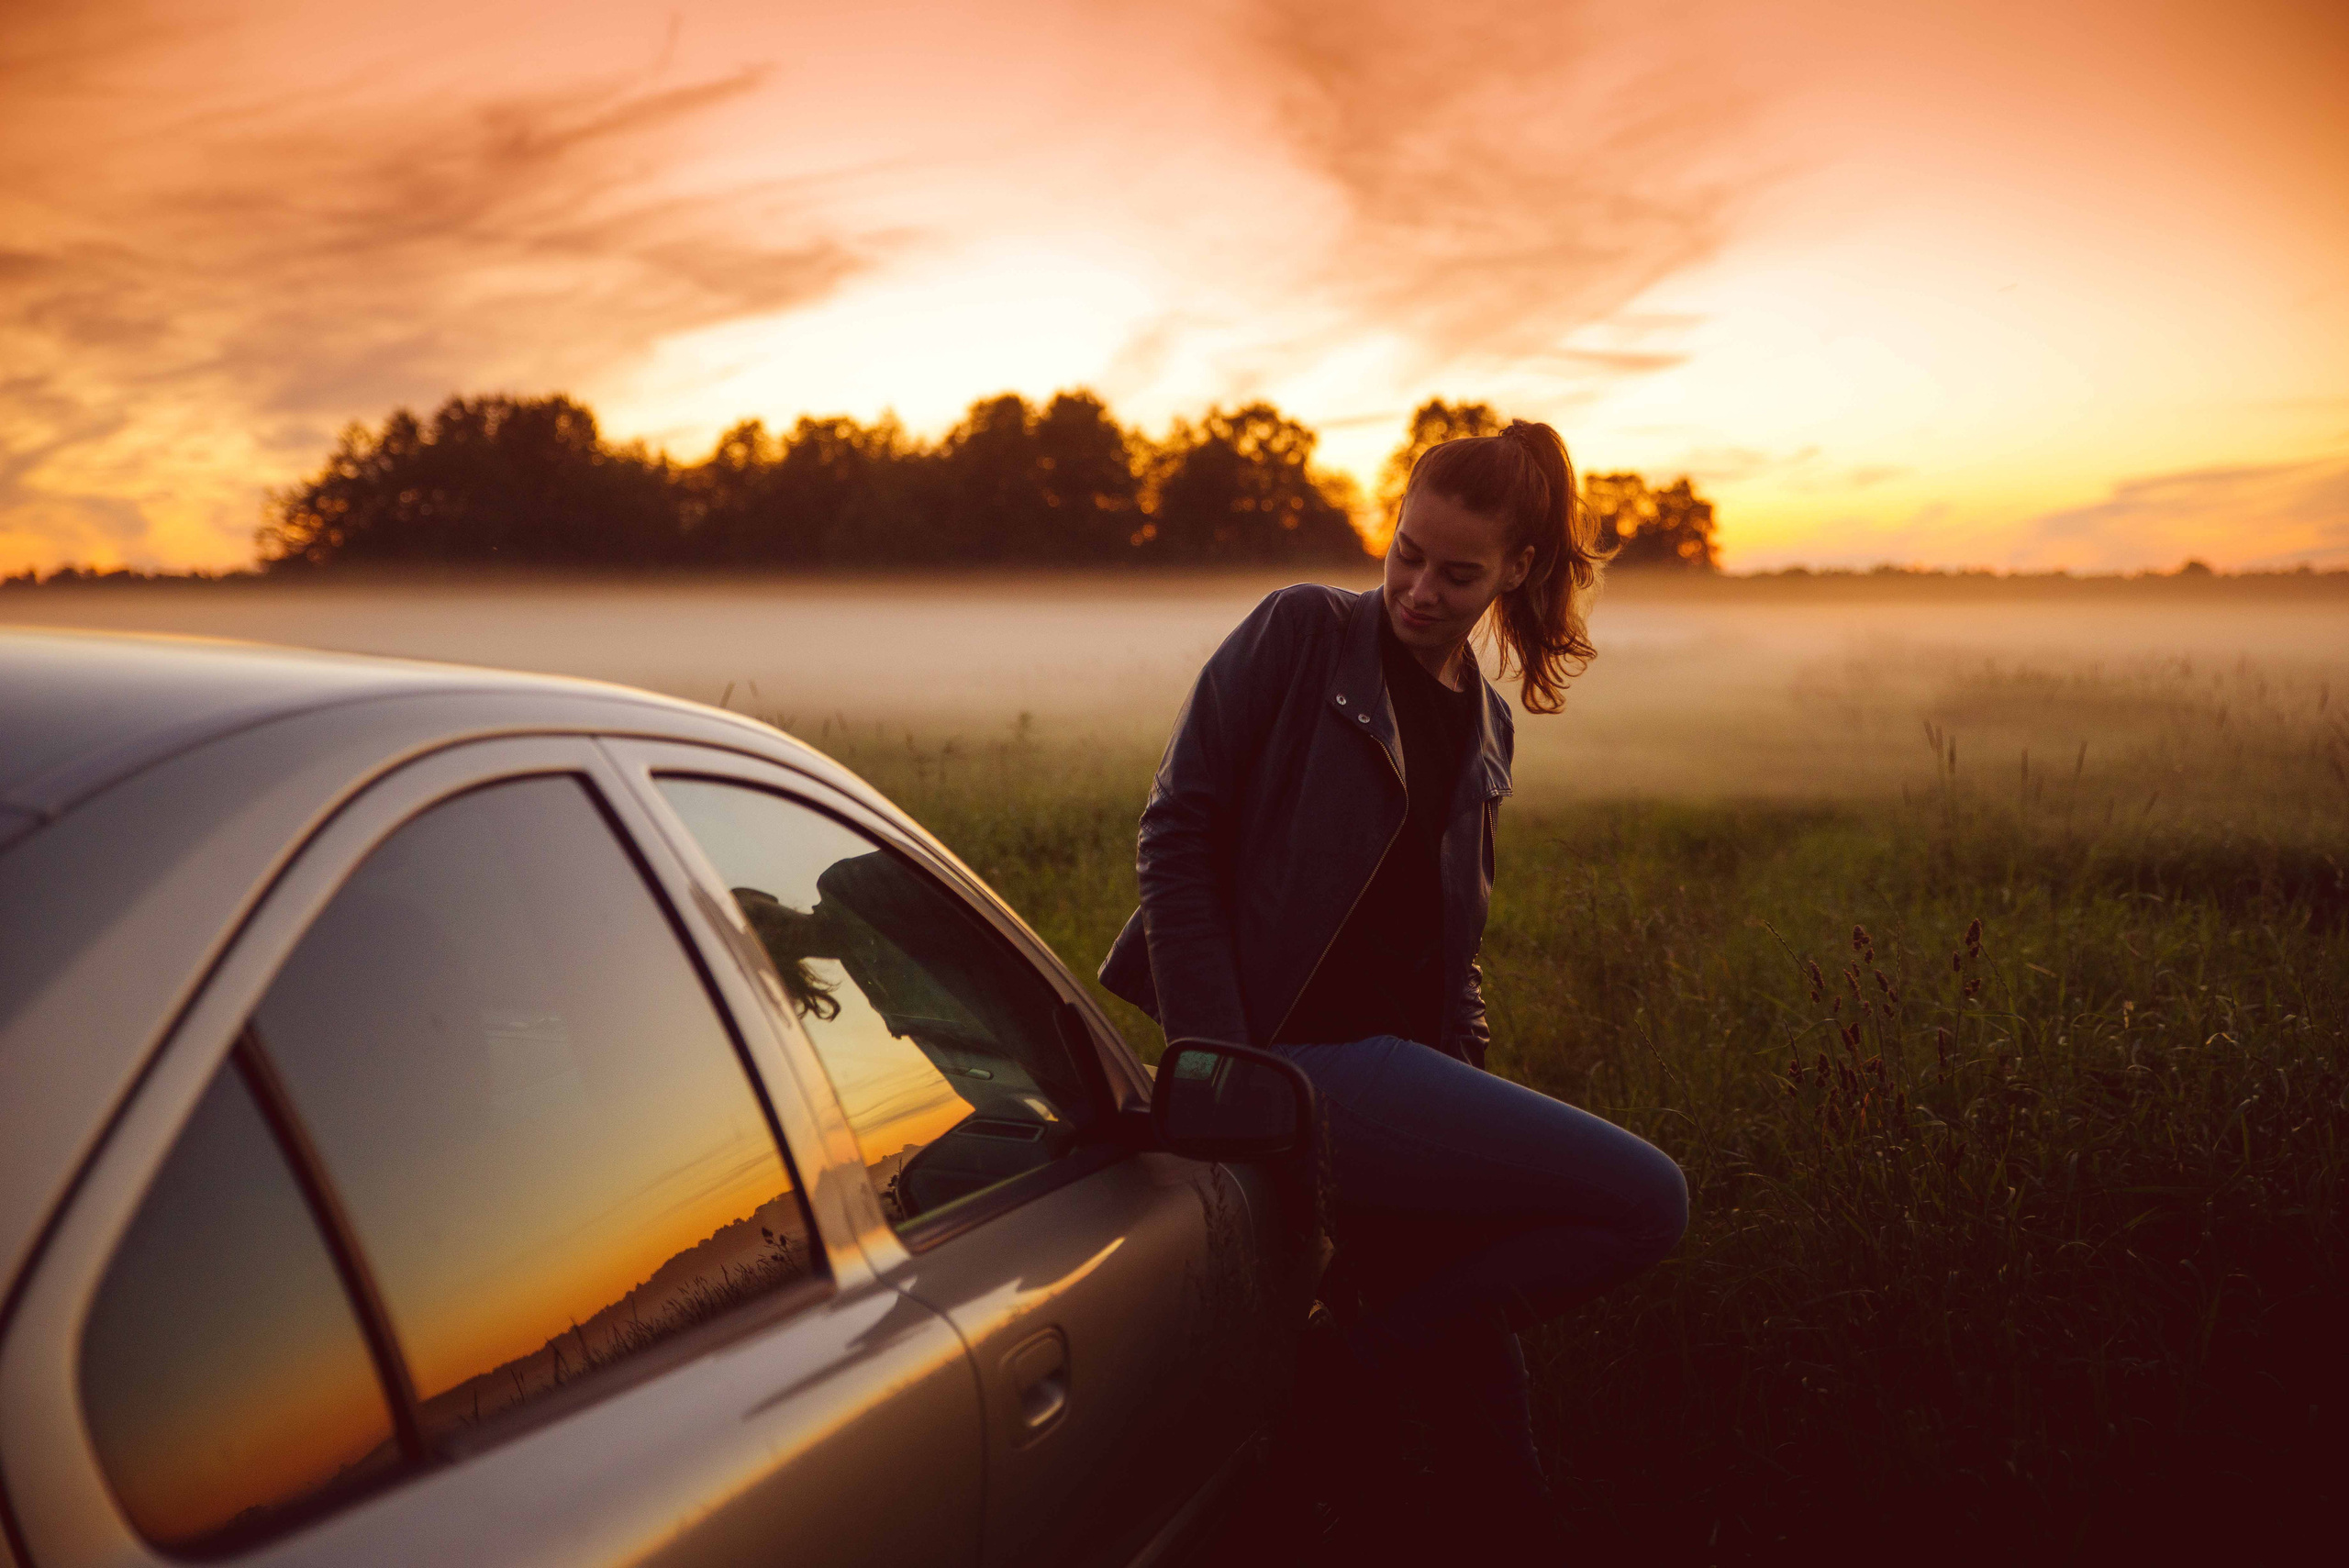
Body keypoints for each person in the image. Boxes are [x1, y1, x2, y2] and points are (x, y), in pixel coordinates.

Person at [1099, 419, 1688, 1550]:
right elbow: (1176, 830)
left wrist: (1464, 1075)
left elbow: (1449, 948)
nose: (1418, 588)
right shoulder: (1300, 632)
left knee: (1485, 1414)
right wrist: (1224, 1066)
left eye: (1456, 573)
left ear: (1516, 568)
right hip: (1297, 1066)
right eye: (1405, 552)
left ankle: (1368, 1396)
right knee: (1646, 1199)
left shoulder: (1486, 723)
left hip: (1397, 1075)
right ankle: (1349, 1362)